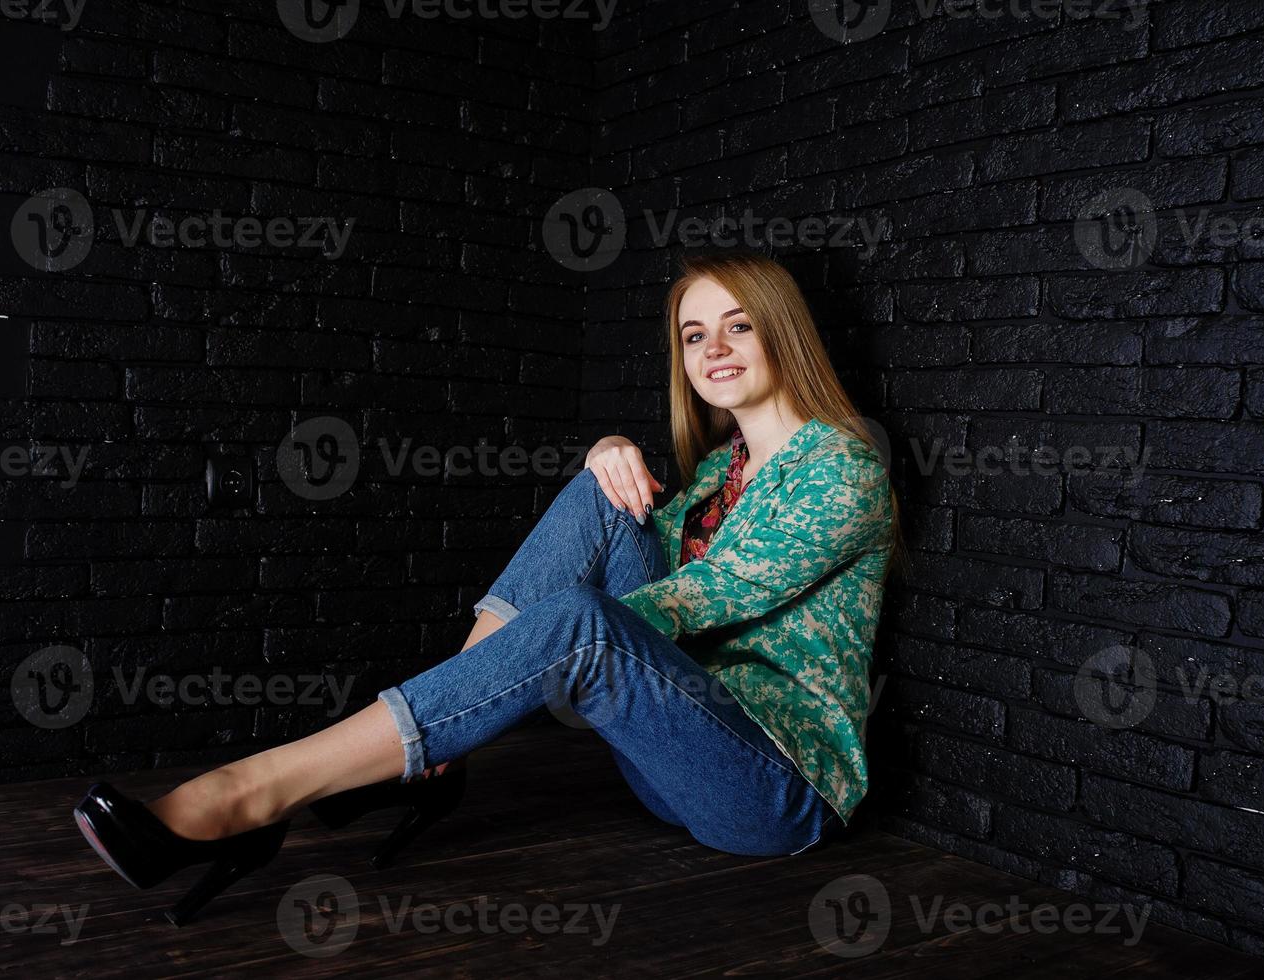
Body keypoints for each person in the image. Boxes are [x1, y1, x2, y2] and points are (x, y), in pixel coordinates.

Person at [72, 249, 903, 926]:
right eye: (692, 335)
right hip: (677, 762)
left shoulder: (842, 466)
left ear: (782, 333)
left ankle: (254, 790)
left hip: (774, 794)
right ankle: (436, 747)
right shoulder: (724, 469)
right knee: (600, 490)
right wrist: (608, 448)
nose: (712, 349)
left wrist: (537, 658)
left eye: (739, 325)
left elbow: (701, 598)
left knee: (580, 623)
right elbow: (631, 547)